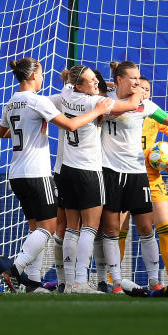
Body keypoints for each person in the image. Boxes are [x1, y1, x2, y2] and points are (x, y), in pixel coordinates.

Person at [0, 58, 112, 290]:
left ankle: (33, 283)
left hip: (16, 173)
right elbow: (70, 125)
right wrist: (98, 110)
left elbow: (2, 132)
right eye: (40, 75)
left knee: (35, 228)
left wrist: (30, 129)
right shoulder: (38, 101)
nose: (42, 79)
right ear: (32, 76)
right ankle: (15, 270)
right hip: (36, 173)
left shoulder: (11, 102)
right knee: (47, 228)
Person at [99, 62, 168, 292]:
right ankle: (116, 282)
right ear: (119, 80)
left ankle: (155, 280)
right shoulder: (103, 98)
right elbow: (83, 86)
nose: (138, 82)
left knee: (146, 228)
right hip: (110, 172)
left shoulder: (146, 105)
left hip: (138, 174)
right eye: (133, 78)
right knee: (112, 231)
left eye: (139, 78)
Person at [56, 64, 140, 294]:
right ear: (79, 86)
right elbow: (132, 105)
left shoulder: (66, 93)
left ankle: (71, 283)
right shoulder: (94, 103)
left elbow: (67, 77)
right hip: (88, 172)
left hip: (67, 170)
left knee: (72, 228)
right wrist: (137, 85)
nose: (95, 84)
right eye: (91, 81)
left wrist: (111, 84)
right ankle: (82, 282)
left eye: (96, 80)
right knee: (90, 228)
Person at [116, 78, 168, 291]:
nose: (145, 92)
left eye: (148, 89)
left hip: (152, 179)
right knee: (119, 230)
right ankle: (113, 281)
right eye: (141, 88)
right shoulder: (121, 111)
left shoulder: (154, 114)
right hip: (125, 176)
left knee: (164, 228)